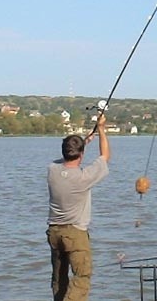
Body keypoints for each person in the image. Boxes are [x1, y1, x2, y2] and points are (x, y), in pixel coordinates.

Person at [47, 113, 111, 301]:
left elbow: (65, 159)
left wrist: (84, 142)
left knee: (59, 278)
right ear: (81, 155)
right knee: (82, 276)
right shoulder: (83, 178)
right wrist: (101, 129)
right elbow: (105, 156)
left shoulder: (52, 170)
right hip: (75, 233)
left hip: (54, 232)